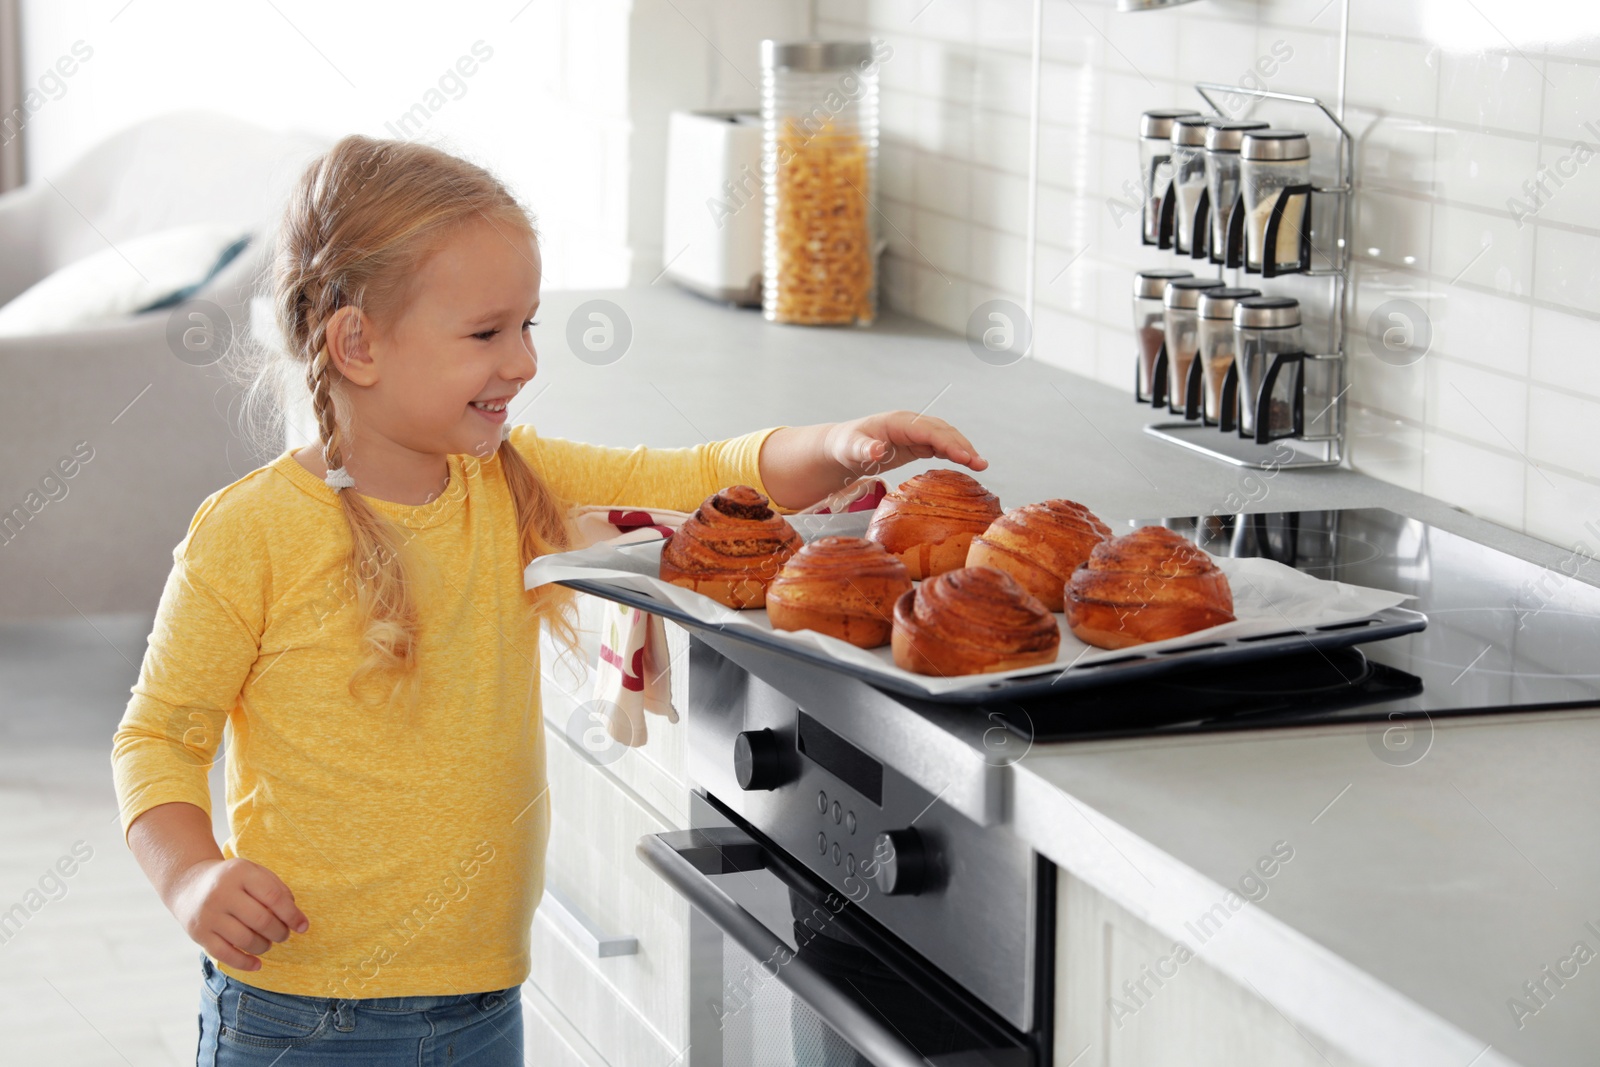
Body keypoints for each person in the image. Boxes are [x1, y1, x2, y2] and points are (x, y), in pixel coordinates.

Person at [109, 134, 986, 1065]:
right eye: (487, 333)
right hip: (298, 1015)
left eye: (527, 325)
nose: (524, 362)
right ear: (357, 344)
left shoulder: (511, 484)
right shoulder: (249, 533)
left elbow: (698, 477)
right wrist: (192, 875)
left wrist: (838, 443)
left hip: (481, 1006)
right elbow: (157, 736)